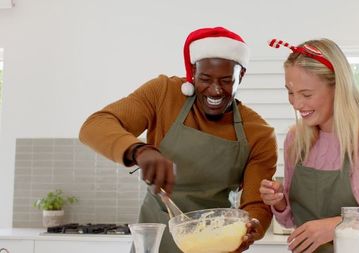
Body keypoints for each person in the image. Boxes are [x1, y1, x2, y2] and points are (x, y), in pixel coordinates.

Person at [79, 27, 277, 252]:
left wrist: (251, 228)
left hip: (217, 244)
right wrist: (139, 151)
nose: (215, 90)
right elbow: (94, 125)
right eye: (205, 79)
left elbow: (255, 205)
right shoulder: (163, 94)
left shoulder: (259, 132)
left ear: (240, 76)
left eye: (226, 81)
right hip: (156, 241)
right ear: (192, 72)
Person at [260, 38, 359, 253]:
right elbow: (291, 221)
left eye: (306, 94)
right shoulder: (296, 139)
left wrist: (338, 226)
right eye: (290, 92)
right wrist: (279, 201)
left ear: (338, 88)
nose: (297, 104)